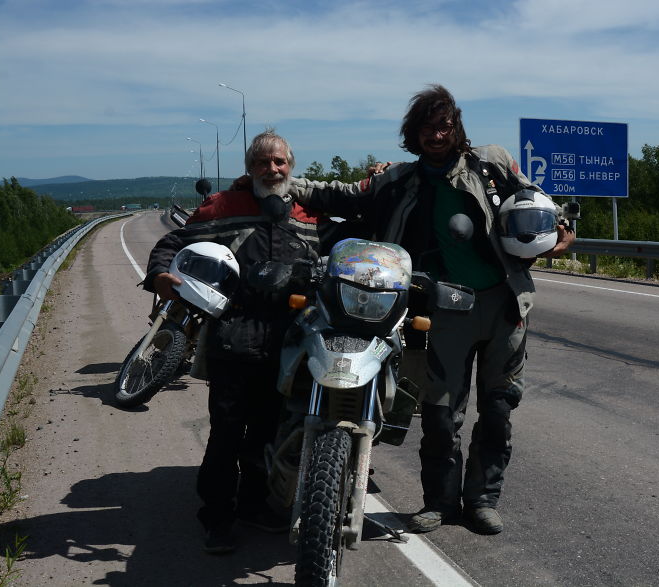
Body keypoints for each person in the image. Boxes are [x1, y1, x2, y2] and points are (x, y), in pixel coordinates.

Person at [287, 84, 575, 535]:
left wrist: (561, 233)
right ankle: (439, 502)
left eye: (443, 126)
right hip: (443, 309)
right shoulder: (399, 179)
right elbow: (340, 194)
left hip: (504, 305)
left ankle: (482, 500)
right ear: (413, 134)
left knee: (499, 408)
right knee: (441, 412)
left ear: (456, 127)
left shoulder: (492, 162)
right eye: (427, 128)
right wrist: (283, 184)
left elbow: (536, 201)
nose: (436, 135)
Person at [143, 129, 323, 553]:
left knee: (268, 430)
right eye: (263, 162)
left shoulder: (309, 212)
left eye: (279, 162)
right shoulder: (222, 206)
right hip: (235, 331)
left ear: (290, 167)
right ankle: (217, 516)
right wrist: (160, 275)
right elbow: (174, 242)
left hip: (292, 340)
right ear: (250, 168)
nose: (272, 168)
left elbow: (345, 249)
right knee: (227, 431)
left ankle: (254, 505)